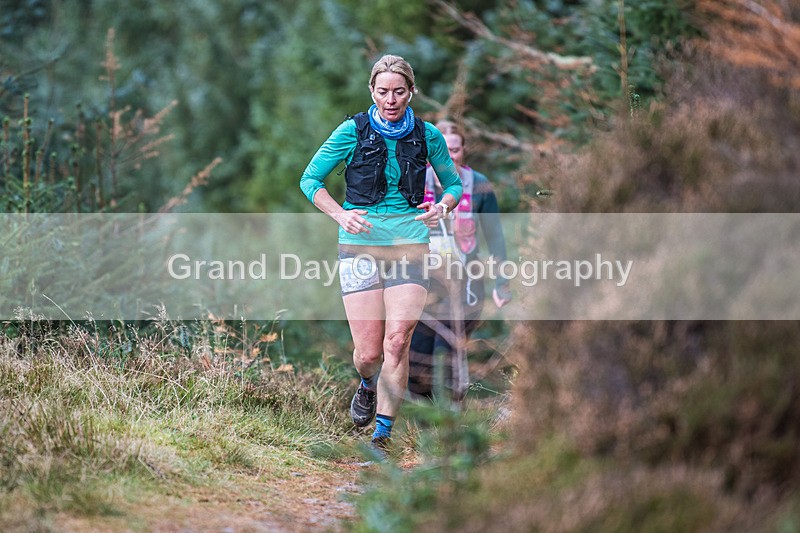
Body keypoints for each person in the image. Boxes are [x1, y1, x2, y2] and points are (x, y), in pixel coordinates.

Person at [299, 55, 462, 456]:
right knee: (370, 353)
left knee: (397, 341)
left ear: (411, 92)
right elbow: (310, 179)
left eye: (399, 92)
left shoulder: (427, 135)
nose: (391, 100)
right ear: (371, 90)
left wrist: (443, 207)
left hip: (411, 243)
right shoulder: (351, 131)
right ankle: (368, 383)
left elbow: (453, 185)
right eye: (383, 91)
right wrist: (340, 214)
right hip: (360, 245)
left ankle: (382, 436)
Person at [408, 120, 511, 401]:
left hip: (466, 281)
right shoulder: (415, 180)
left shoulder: (478, 185)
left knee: (448, 348)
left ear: (463, 150)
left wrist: (501, 282)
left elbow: (495, 237)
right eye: (443, 149)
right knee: (417, 359)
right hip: (422, 280)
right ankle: (425, 420)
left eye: (454, 150)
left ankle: (453, 414)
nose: (449, 156)